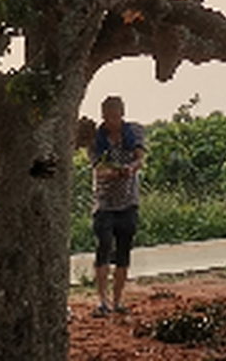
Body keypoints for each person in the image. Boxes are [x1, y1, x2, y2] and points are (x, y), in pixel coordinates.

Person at [89, 95, 146, 317]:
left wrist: (131, 168)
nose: (111, 121)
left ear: (122, 114)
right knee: (103, 247)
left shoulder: (135, 131)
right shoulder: (95, 138)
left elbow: (139, 158)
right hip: (104, 204)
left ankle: (117, 300)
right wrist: (116, 173)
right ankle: (102, 300)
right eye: (107, 117)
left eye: (115, 116)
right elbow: (98, 168)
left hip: (128, 202)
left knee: (123, 252)